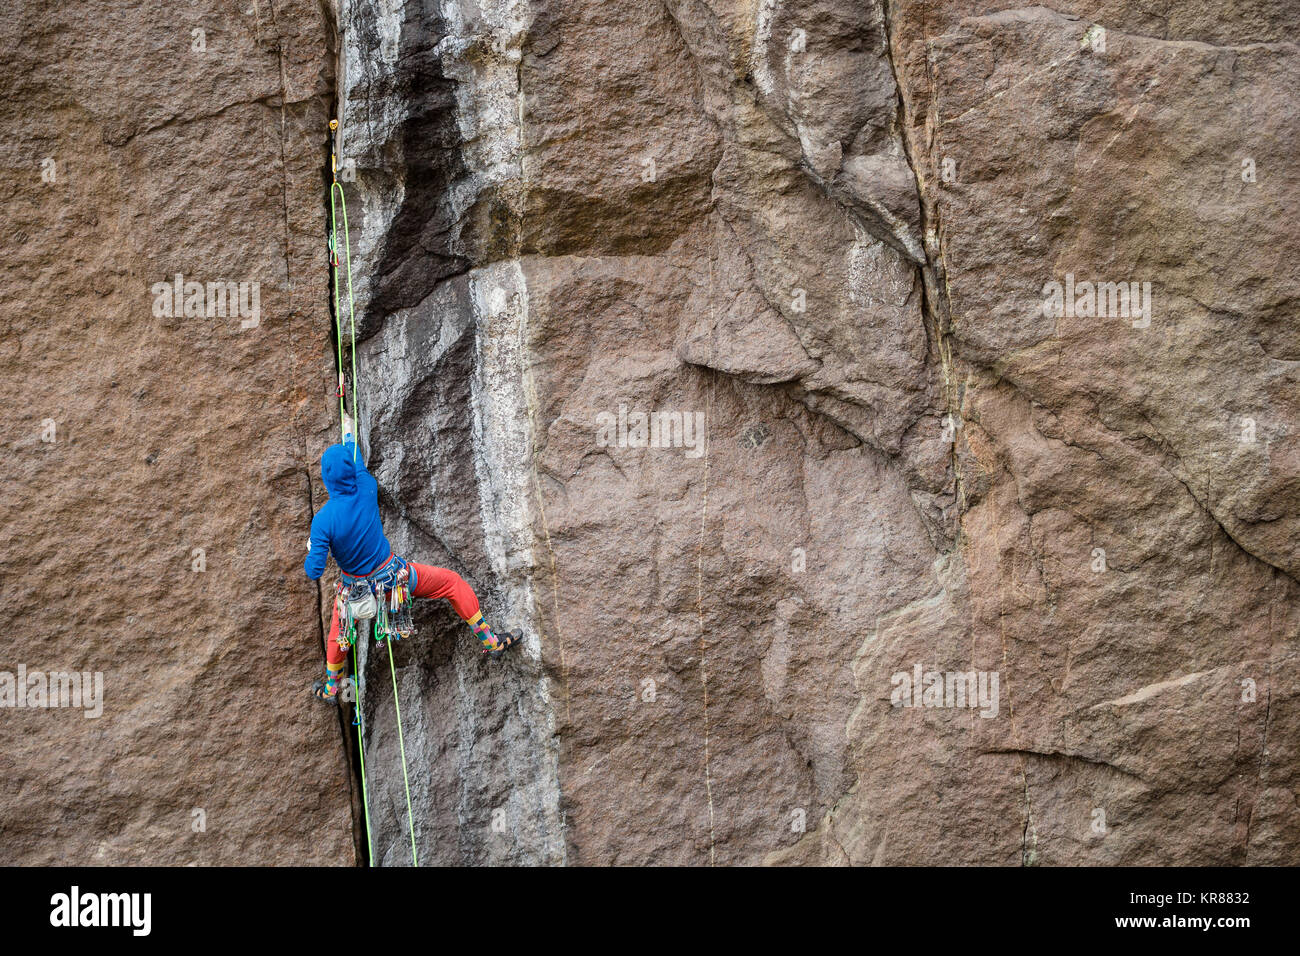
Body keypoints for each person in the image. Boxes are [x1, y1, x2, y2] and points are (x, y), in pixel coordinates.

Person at [305, 424, 521, 703]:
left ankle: (333, 688)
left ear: (325, 479)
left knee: (339, 632)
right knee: (452, 583)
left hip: (354, 593)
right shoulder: (367, 487)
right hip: (394, 581)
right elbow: (356, 460)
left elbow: (314, 570)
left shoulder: (323, 521)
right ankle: (491, 642)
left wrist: (314, 546)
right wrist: (349, 435)